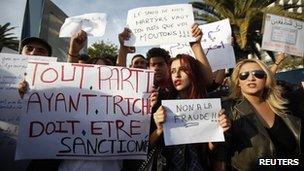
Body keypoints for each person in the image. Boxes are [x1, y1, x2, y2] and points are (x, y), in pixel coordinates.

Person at [150, 54, 230, 170]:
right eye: (172, 71)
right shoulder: (160, 106)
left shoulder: (209, 106)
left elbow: (208, 150)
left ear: (194, 73)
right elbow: (144, 148)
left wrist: (217, 133)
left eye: (183, 70)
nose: (176, 75)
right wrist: (158, 130)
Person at [226, 58, 301, 170]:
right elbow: (219, 153)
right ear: (238, 82)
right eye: (244, 75)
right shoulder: (230, 111)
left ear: (266, 78)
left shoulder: (284, 105)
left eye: (258, 74)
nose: (251, 78)